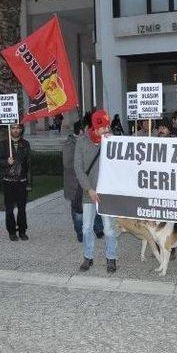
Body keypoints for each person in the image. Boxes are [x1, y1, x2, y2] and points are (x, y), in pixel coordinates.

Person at [74, 109, 118, 273]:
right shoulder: (82, 141)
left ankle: (111, 257)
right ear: (94, 127)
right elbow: (78, 168)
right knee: (86, 228)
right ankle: (88, 256)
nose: (106, 130)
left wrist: (113, 144)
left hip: (107, 193)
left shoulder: (112, 140)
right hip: (89, 192)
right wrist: (89, 189)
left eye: (108, 127)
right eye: (103, 127)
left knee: (109, 228)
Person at [0, 122, 32, 241]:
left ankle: (22, 231)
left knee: (22, 208)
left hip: (21, 181)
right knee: (9, 208)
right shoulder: (3, 144)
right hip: (8, 181)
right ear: (9, 130)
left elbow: (29, 164)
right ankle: (11, 231)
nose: (16, 130)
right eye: (13, 128)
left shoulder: (25, 144)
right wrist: (7, 162)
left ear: (21, 130)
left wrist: (29, 182)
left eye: (18, 128)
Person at [63, 120, 85, 242]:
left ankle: (97, 229)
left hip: (85, 181)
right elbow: (67, 164)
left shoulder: (85, 142)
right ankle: (79, 232)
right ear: (81, 131)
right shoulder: (69, 144)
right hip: (74, 184)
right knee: (77, 209)